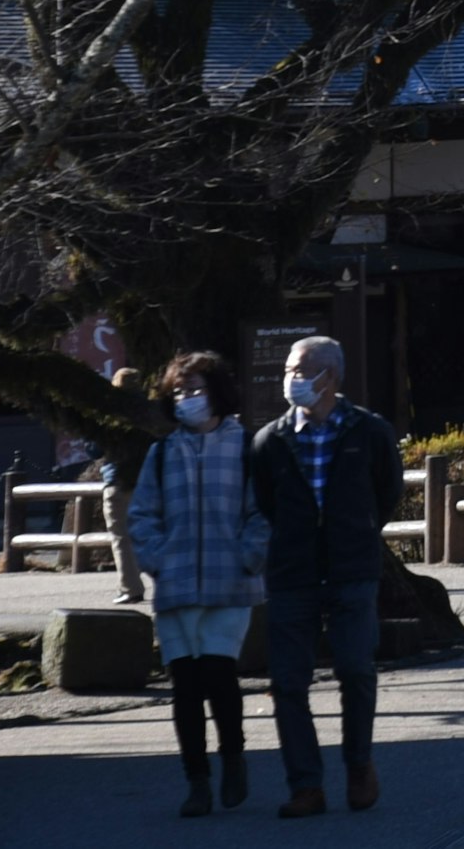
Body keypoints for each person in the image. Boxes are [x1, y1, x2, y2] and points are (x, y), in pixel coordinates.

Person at [245, 335, 401, 818]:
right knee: (288, 682)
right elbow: (266, 501)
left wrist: (354, 532)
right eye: (289, 370)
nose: (288, 379)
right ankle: (305, 785)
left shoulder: (369, 431)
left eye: (297, 370)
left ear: (328, 377)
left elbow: (387, 493)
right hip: (292, 573)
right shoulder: (270, 439)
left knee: (355, 669)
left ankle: (358, 764)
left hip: (352, 569)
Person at [129, 350, 267, 816]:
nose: (187, 399)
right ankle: (197, 781)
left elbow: (262, 512)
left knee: (219, 674)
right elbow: (142, 514)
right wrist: (158, 560)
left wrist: (249, 556)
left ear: (217, 392)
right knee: (184, 685)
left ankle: (233, 759)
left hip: (231, 584)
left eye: (196, 389)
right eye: (179, 391)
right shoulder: (162, 451)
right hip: (177, 584)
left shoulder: (246, 445)